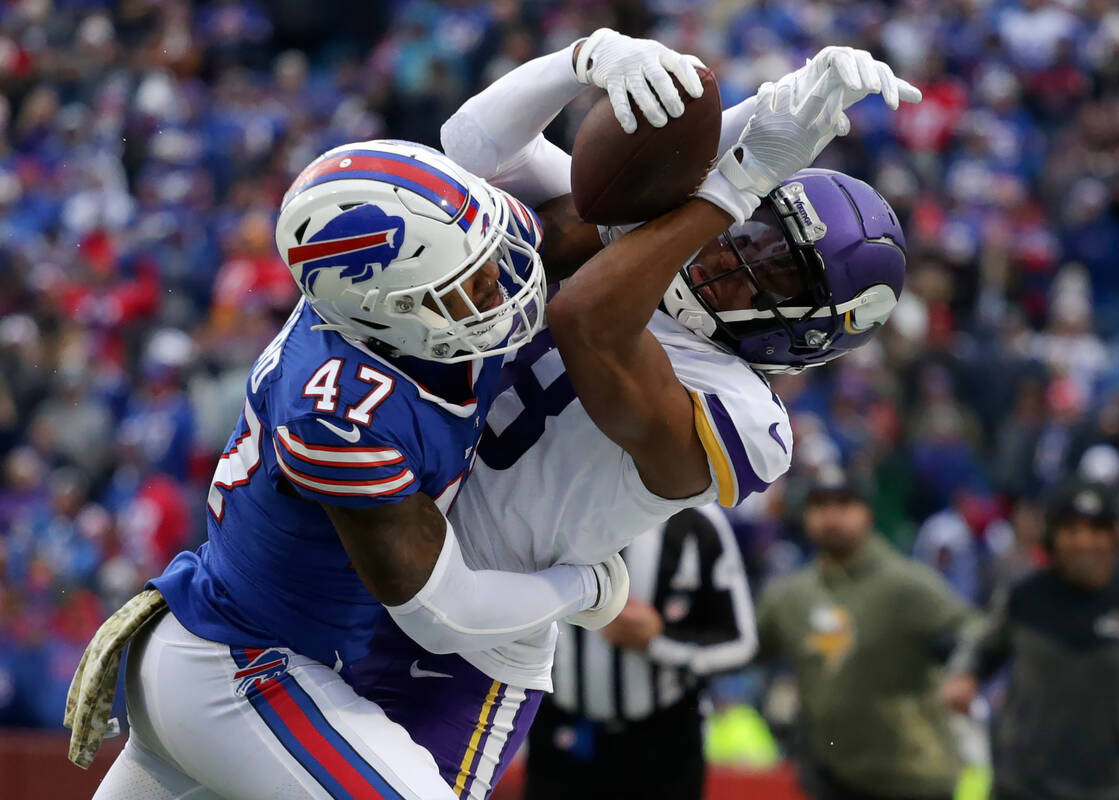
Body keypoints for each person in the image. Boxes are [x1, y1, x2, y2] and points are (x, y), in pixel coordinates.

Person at [77, 30, 718, 796]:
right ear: (388, 314)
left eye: (490, 263)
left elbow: (499, 152)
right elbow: (441, 612)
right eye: (468, 289)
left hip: (227, 656)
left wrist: (590, 59)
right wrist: (586, 592)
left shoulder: (429, 272)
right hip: (239, 669)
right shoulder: (341, 413)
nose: (504, 287)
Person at [344, 34, 921, 798]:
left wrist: (735, 182)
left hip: (463, 648)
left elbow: (590, 319)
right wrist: (588, 59)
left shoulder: (747, 417)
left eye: (778, 268)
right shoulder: (643, 240)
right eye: (754, 231)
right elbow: (469, 149)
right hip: (368, 546)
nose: (736, 257)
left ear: (810, 330)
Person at [942, 479, 1119, 800]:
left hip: (1111, 786)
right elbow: (978, 648)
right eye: (1072, 531)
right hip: (1023, 785)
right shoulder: (1023, 598)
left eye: (1096, 531)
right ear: (1053, 538)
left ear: (1114, 537)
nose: (1084, 542)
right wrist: (963, 677)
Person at [757, 467, 971, 800]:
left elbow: (976, 634)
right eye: (820, 505)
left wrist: (965, 675)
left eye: (844, 504)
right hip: (832, 774)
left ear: (867, 511)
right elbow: (743, 646)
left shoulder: (905, 585)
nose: (831, 516)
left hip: (912, 776)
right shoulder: (789, 595)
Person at [523, 505, 757, 800]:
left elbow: (741, 641)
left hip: (662, 739)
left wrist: (658, 642)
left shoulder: (698, 520)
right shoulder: (555, 501)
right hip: (562, 728)